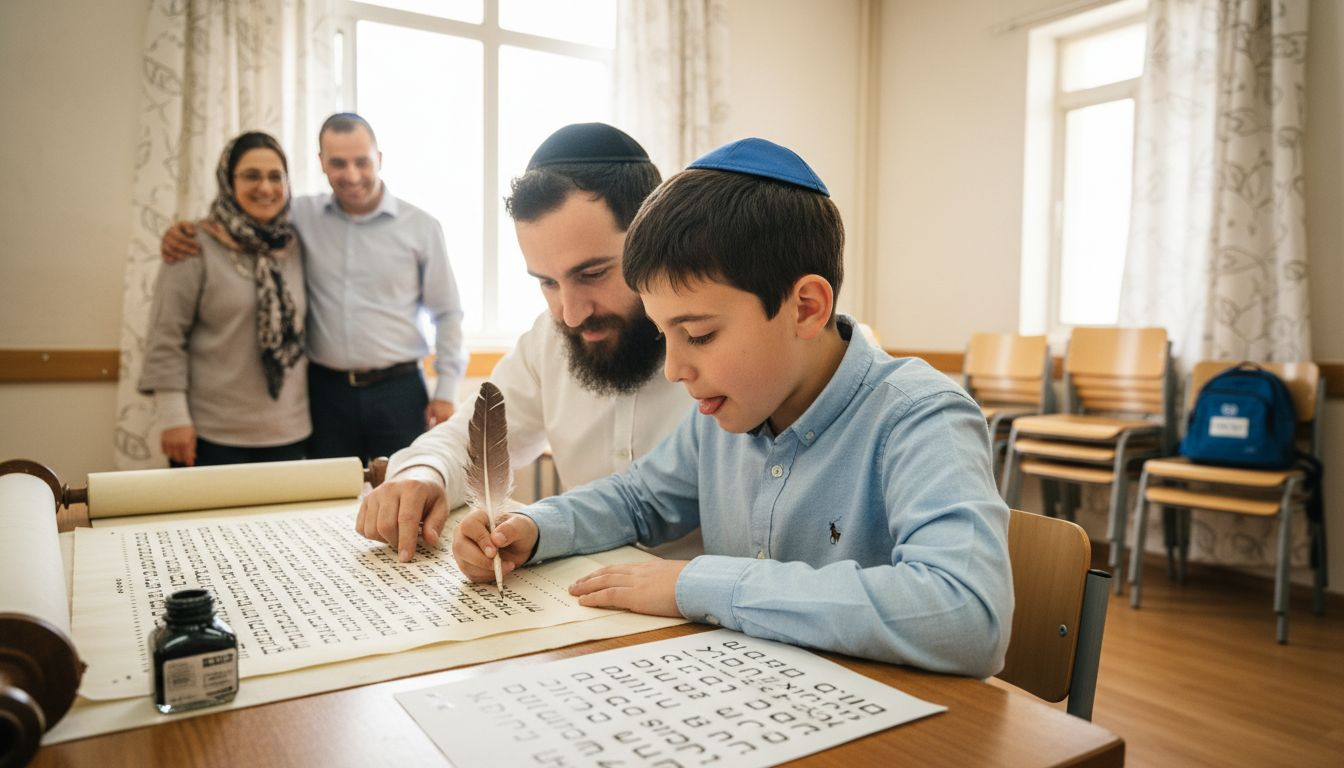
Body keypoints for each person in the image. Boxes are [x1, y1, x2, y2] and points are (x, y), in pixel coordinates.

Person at [451, 138, 1014, 676]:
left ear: (806, 308)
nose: (673, 369)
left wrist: (698, 585)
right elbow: (637, 499)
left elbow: (965, 614)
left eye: (696, 334)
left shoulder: (920, 418)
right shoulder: (727, 416)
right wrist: (533, 525)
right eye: (663, 333)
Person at [356, 123, 694, 563]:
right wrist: (424, 473)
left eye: (592, 274)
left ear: (653, 242)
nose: (571, 313)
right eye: (548, 283)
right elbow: (470, 438)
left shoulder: (718, 344)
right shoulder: (547, 341)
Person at [161, 113, 465, 463]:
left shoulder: (422, 227)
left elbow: (447, 312)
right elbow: (242, 220)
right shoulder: (297, 216)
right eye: (338, 163)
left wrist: (445, 391)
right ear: (321, 163)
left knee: (405, 495)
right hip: (325, 395)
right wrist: (185, 231)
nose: (351, 175)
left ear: (379, 159)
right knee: (330, 504)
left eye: (362, 162)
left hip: (399, 392)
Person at [139, 132, 309, 467]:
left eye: (276, 176)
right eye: (251, 175)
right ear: (227, 181)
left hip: (290, 433)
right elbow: (166, 338)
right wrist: (173, 417)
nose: (265, 187)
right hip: (211, 437)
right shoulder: (192, 245)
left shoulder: (296, 246)